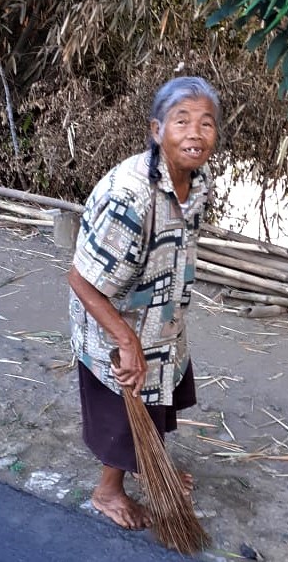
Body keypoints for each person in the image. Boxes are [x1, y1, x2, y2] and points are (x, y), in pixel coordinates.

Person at [67, 75, 220, 530]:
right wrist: (127, 340)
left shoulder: (198, 179)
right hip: (114, 322)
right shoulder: (129, 198)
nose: (195, 133)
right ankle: (107, 491)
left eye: (206, 123)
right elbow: (81, 279)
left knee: (158, 397)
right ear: (157, 130)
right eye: (182, 121)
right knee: (126, 409)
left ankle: (154, 469)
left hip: (162, 317)